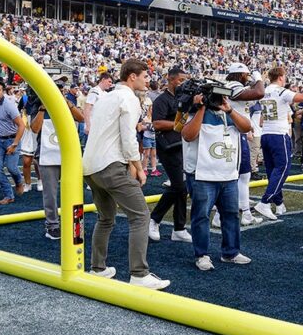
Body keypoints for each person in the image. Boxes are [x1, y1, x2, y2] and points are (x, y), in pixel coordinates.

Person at [82, 58, 169, 290]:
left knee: (105, 218)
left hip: (91, 166)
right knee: (140, 216)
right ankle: (139, 273)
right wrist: (139, 168)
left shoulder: (105, 95)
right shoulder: (128, 98)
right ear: (133, 76)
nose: (147, 80)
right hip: (111, 164)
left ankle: (97, 268)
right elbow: (128, 137)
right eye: (144, 76)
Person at [181, 89, 254, 270]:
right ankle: (202, 254)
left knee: (231, 215)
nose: (219, 100)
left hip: (228, 174)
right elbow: (188, 135)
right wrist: (200, 108)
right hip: (203, 174)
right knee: (201, 216)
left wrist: (229, 109)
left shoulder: (230, 113)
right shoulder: (196, 112)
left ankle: (231, 252)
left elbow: (246, 127)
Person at [254, 66, 303, 221]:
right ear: (280, 77)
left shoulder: (264, 91)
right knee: (283, 168)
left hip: (266, 133)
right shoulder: (280, 91)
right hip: (278, 134)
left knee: (273, 171)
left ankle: (278, 203)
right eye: (284, 76)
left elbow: (261, 120)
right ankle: (265, 202)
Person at [29, 83, 84, 239]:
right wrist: (42, 108)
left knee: (75, 191)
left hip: (68, 156)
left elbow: (81, 118)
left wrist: (69, 104)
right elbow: (34, 128)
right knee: (50, 194)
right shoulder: (39, 106)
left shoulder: (68, 105)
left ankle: (75, 223)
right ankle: (52, 225)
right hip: (47, 156)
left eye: (61, 91)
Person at [149, 67, 192, 243]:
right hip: (168, 147)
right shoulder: (161, 100)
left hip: (184, 146)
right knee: (179, 186)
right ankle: (154, 219)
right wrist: (179, 124)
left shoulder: (186, 99)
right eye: (180, 80)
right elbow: (157, 123)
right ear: (170, 79)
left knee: (184, 186)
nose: (183, 83)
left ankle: (179, 228)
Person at [223, 63, 265, 227]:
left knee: (237, 175)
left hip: (237, 132)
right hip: (234, 133)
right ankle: (245, 213)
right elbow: (259, 92)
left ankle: (227, 214)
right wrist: (259, 78)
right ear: (240, 74)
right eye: (246, 74)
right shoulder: (233, 86)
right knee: (241, 175)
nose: (248, 77)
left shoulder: (233, 85)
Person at [0, 80, 26, 205]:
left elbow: (21, 125)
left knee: (12, 168)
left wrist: (14, 144)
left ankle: (19, 181)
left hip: (11, 139)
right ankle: (8, 195)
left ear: (3, 92)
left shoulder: (9, 105)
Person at [82, 72, 112, 137]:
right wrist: (88, 125)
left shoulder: (106, 93)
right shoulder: (94, 91)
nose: (110, 84)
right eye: (109, 81)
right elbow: (87, 108)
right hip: (93, 126)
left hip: (100, 127)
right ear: (103, 80)